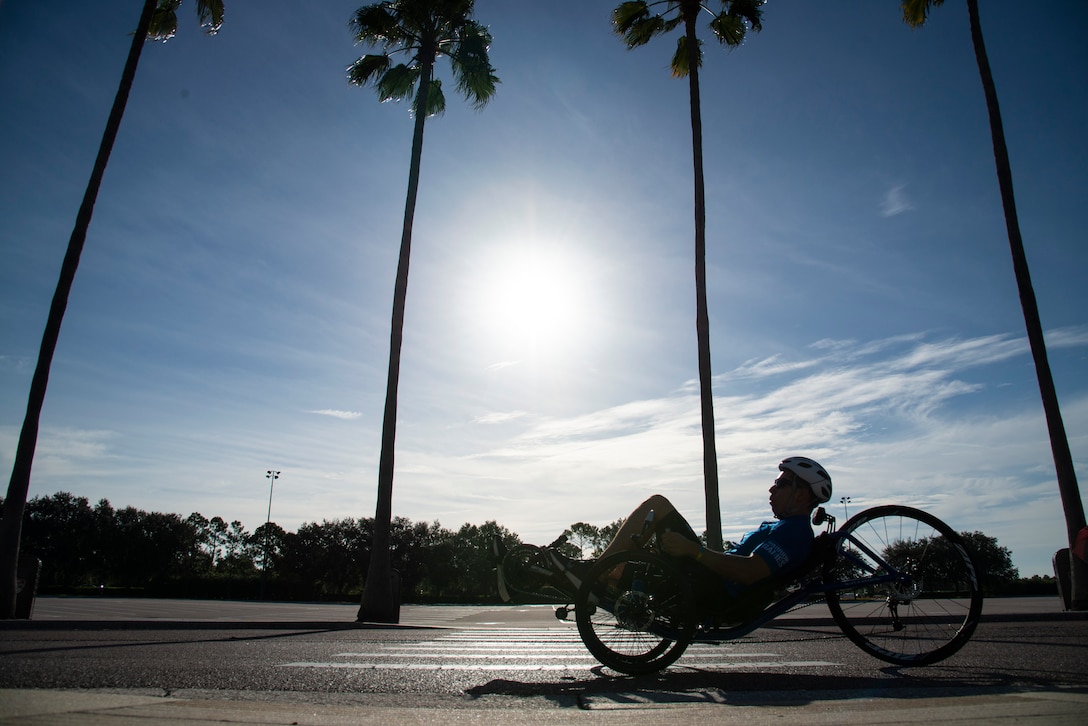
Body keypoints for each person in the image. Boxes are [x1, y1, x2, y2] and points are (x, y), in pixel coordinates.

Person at [548, 456, 832, 601]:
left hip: (714, 589)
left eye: (781, 484)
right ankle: (585, 574)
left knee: (657, 505)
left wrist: (693, 550)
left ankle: (595, 573)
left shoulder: (794, 532)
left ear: (801, 496)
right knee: (631, 559)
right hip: (708, 579)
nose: (772, 488)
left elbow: (749, 571)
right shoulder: (780, 526)